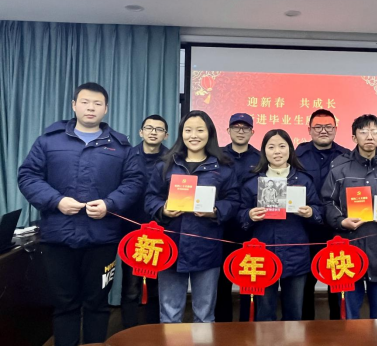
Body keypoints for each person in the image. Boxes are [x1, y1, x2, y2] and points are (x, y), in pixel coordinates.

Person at [18, 82, 145, 346]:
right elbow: (28, 176)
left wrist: (110, 204)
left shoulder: (121, 146)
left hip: (102, 238)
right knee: (64, 304)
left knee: (97, 304)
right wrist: (56, 201)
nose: (91, 108)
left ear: (106, 109)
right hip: (58, 238)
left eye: (97, 103)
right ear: (74, 105)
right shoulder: (48, 141)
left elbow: (134, 182)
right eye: (85, 102)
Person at [145, 110, 240, 324]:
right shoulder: (166, 164)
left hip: (207, 246)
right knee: (169, 314)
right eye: (188, 130)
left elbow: (234, 200)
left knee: (204, 315)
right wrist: (163, 209)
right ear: (181, 134)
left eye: (200, 130)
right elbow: (150, 197)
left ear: (210, 134)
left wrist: (215, 210)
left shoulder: (223, 168)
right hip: (170, 245)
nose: (193, 135)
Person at [322, 114, 377, 319]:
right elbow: (327, 202)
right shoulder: (339, 167)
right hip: (348, 249)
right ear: (354, 137)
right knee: (348, 316)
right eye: (363, 132)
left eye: (374, 131)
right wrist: (341, 221)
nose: (369, 136)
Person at [239, 129, 323, 321]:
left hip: (296, 254)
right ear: (264, 151)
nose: (277, 151)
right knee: (264, 312)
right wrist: (249, 215)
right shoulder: (253, 182)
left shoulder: (303, 180)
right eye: (271, 147)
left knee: (294, 314)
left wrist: (311, 212)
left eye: (282, 146)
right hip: (262, 255)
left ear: (290, 150)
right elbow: (239, 213)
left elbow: (319, 210)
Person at [296, 109, 349, 320]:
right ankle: (306, 326)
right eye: (318, 127)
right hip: (305, 229)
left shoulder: (346, 156)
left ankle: (338, 326)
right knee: (305, 282)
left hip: (337, 230)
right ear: (309, 129)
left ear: (335, 129)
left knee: (337, 281)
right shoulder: (297, 156)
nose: (323, 130)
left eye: (328, 126)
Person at [121, 115, 169, 328]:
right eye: (149, 128)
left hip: (162, 228)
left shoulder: (173, 159)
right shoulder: (127, 156)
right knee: (131, 285)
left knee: (157, 284)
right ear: (141, 132)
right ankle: (128, 331)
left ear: (166, 135)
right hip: (130, 228)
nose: (153, 132)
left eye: (159, 129)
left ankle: (154, 331)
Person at [215, 113, 260, 323]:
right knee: (221, 281)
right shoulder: (217, 156)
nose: (240, 131)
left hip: (251, 228)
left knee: (250, 279)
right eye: (236, 127)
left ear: (252, 131)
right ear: (228, 130)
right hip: (222, 226)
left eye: (245, 128)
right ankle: (222, 327)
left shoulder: (261, 158)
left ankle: (247, 325)